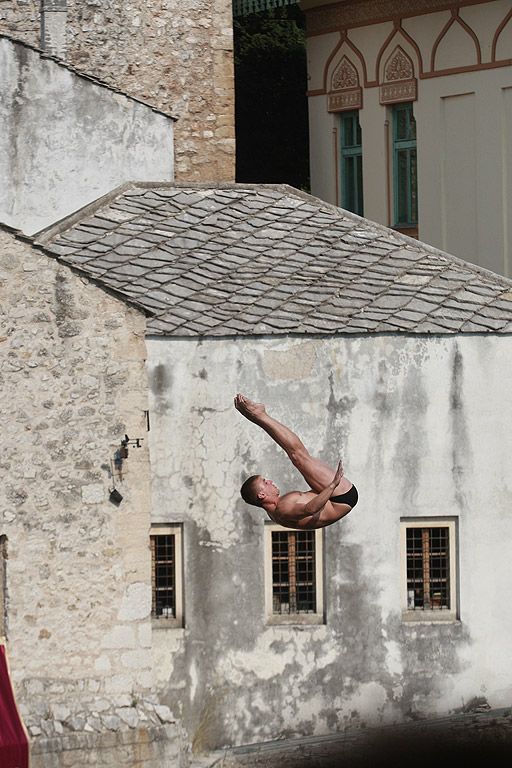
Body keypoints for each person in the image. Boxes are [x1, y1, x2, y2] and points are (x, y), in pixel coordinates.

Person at [234, 394, 358, 530]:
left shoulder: (275, 512)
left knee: (297, 456)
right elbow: (311, 509)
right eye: (264, 482)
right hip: (340, 497)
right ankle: (259, 415)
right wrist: (333, 485)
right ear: (262, 495)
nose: (269, 481)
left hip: (332, 497)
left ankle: (258, 416)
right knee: (299, 457)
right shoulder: (282, 509)